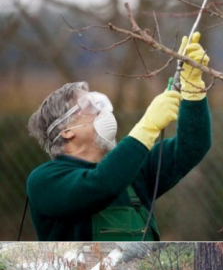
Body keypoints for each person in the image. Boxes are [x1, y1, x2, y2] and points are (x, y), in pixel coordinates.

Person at [26, 33, 211, 241]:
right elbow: (99, 186)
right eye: (90, 106)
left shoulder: (134, 171)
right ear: (66, 130)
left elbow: (192, 146)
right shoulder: (44, 180)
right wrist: (147, 126)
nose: (102, 111)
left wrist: (193, 88)